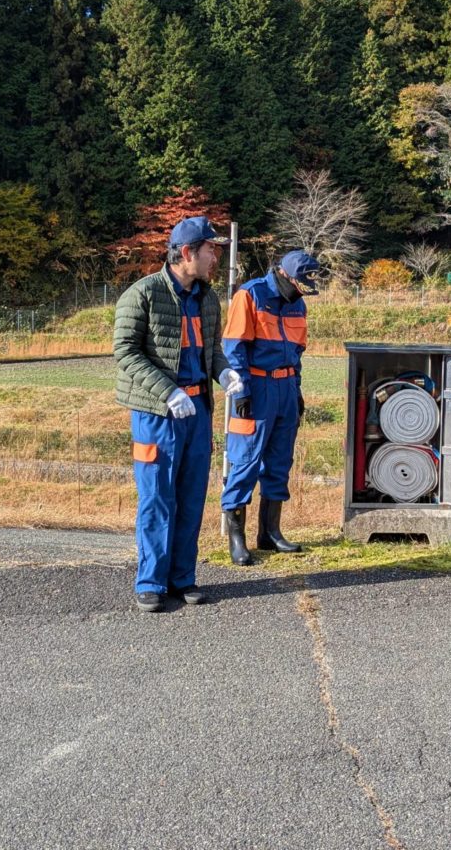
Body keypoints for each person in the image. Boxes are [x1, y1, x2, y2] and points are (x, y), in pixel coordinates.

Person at [114, 216, 242, 612]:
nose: (215, 257)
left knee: (190, 498)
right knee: (156, 498)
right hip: (157, 413)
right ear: (186, 253)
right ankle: (150, 581)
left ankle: (182, 578)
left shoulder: (206, 297)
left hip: (197, 412)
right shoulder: (142, 294)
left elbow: (211, 350)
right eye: (210, 250)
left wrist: (222, 370)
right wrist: (167, 391)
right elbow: (126, 352)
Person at [220, 250, 320, 565]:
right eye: (301, 282)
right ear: (286, 275)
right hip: (256, 389)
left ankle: (270, 533)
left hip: (287, 387)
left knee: (279, 463)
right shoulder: (250, 295)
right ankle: (238, 539)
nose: (304, 289)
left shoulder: (298, 304)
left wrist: (297, 389)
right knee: (245, 461)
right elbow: (233, 345)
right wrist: (242, 392)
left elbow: (297, 350)